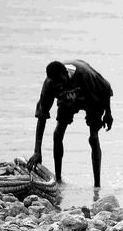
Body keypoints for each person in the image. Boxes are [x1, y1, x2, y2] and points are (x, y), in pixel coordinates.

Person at [27, 60, 113, 189]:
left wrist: (108, 113)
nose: (59, 85)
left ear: (66, 74)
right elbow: (42, 116)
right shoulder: (50, 84)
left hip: (91, 99)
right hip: (67, 100)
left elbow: (106, 89)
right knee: (57, 135)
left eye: (61, 81)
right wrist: (37, 151)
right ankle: (59, 180)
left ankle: (97, 185)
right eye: (56, 83)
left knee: (93, 138)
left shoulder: (85, 74)